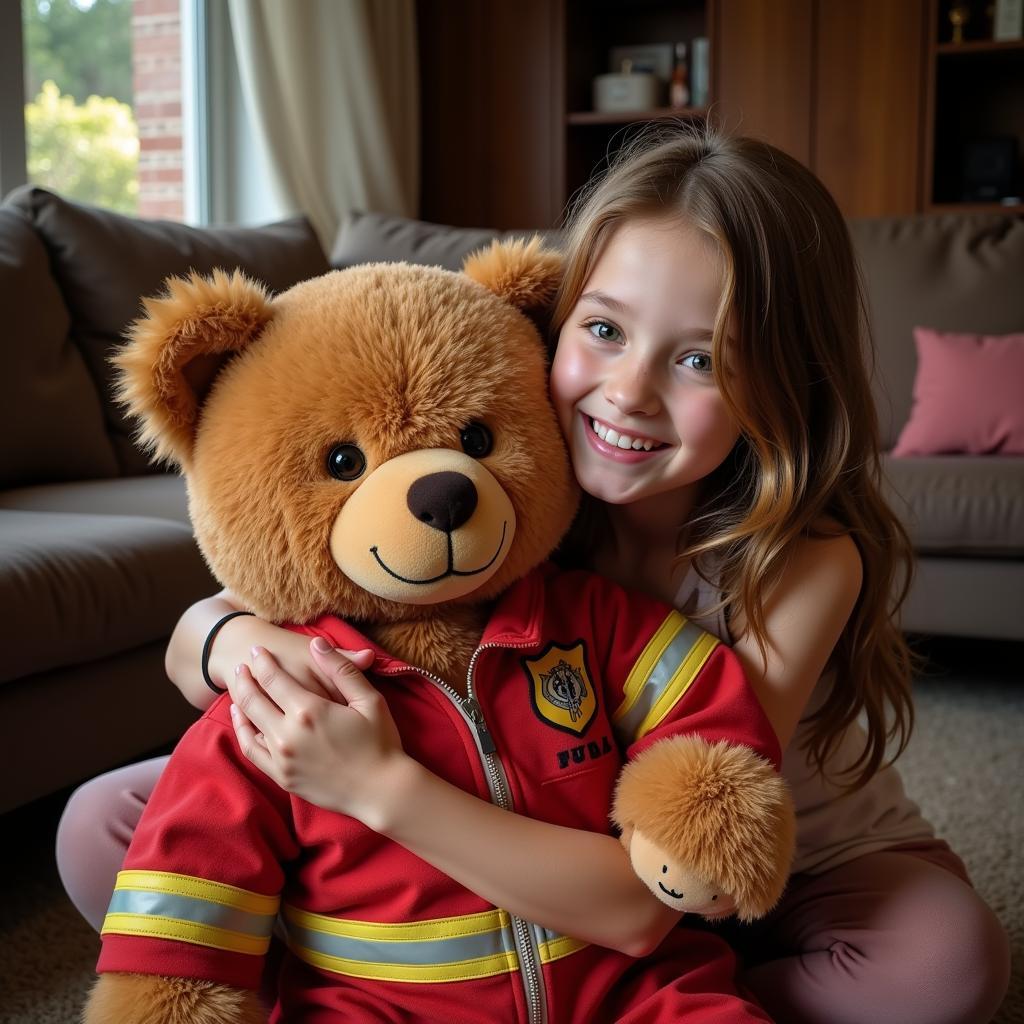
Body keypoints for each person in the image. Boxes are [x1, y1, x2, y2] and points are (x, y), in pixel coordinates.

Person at [57, 126, 1010, 1024]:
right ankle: (412, 972)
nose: (629, 392)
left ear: (782, 381)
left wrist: (381, 790)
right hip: (503, 812)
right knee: (108, 825)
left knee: (943, 961)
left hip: (756, 866)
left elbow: (659, 885)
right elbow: (205, 641)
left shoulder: (803, 559)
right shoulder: (515, 490)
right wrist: (230, 640)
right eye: (602, 330)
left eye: (698, 359)